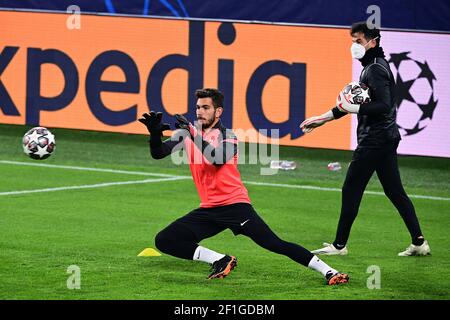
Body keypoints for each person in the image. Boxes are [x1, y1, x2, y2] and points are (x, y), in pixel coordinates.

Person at [139, 88, 349, 285]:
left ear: (218, 111)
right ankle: (221, 259)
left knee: (274, 243)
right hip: (209, 209)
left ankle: (330, 271)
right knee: (165, 240)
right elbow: (159, 153)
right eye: (197, 107)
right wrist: (154, 135)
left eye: (206, 107)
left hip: (235, 206)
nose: (200, 111)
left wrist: (194, 133)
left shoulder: (227, 136)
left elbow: (217, 158)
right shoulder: (187, 134)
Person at [300, 22, 430, 257]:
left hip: (375, 140)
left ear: (373, 41)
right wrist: (324, 118)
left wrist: (354, 109)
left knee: (351, 188)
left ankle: (339, 246)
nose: (354, 46)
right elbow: (355, 103)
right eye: (352, 41)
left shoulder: (375, 69)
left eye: (358, 41)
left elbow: (383, 105)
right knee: (394, 191)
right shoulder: (371, 66)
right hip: (386, 138)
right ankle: (419, 242)